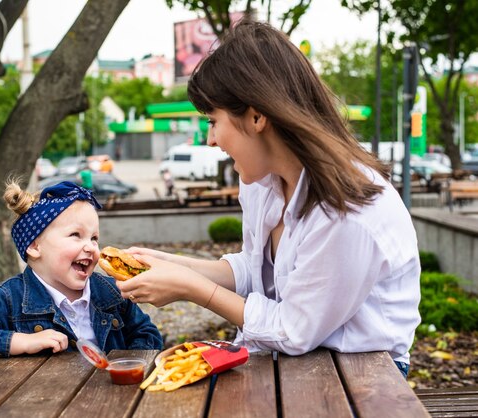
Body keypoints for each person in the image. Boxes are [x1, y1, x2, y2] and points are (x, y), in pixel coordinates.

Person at [115, 19, 420, 379]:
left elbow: (294, 330)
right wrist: (170, 264)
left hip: (362, 376)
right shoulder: (261, 181)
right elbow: (254, 269)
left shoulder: (348, 209)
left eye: (213, 121)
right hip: (290, 364)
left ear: (257, 116)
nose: (211, 140)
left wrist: (191, 288)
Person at [0, 181, 162, 359]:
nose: (91, 246)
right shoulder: (9, 299)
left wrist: (129, 361)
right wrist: (21, 341)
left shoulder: (111, 292)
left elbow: (147, 333)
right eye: (76, 235)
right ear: (34, 246)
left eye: (94, 237)